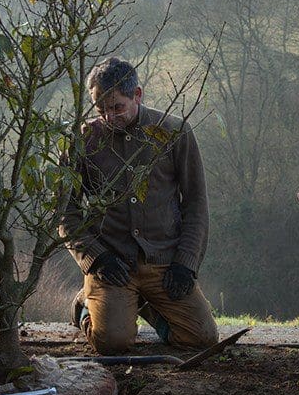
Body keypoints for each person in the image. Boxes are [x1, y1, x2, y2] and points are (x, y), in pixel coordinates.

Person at [61, 57, 220, 354]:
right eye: (101, 110)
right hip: (112, 265)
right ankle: (85, 305)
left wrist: (186, 263)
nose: (109, 117)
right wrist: (96, 259)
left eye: (117, 107)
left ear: (137, 95)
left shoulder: (175, 133)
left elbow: (196, 204)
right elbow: (64, 213)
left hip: (165, 262)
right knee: (112, 343)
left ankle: (144, 304)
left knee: (202, 339)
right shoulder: (82, 141)